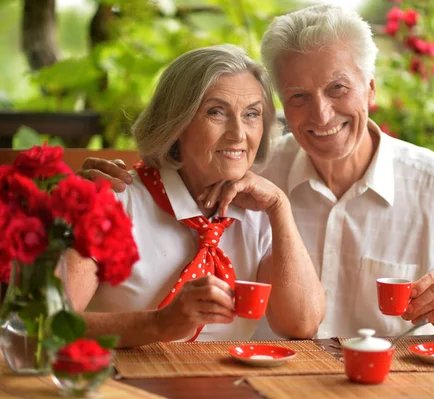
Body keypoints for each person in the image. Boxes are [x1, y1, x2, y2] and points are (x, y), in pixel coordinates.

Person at [78, 5, 434, 339]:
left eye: (338, 88)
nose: (321, 113)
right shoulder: (249, 168)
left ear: (371, 87)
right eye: (298, 96)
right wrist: (82, 189)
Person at [66, 44, 325, 348]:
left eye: (251, 114)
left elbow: (302, 324)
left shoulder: (259, 212)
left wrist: (280, 208)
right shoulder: (114, 201)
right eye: (216, 112)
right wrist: (158, 323)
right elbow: (43, 323)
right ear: (176, 123)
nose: (238, 134)